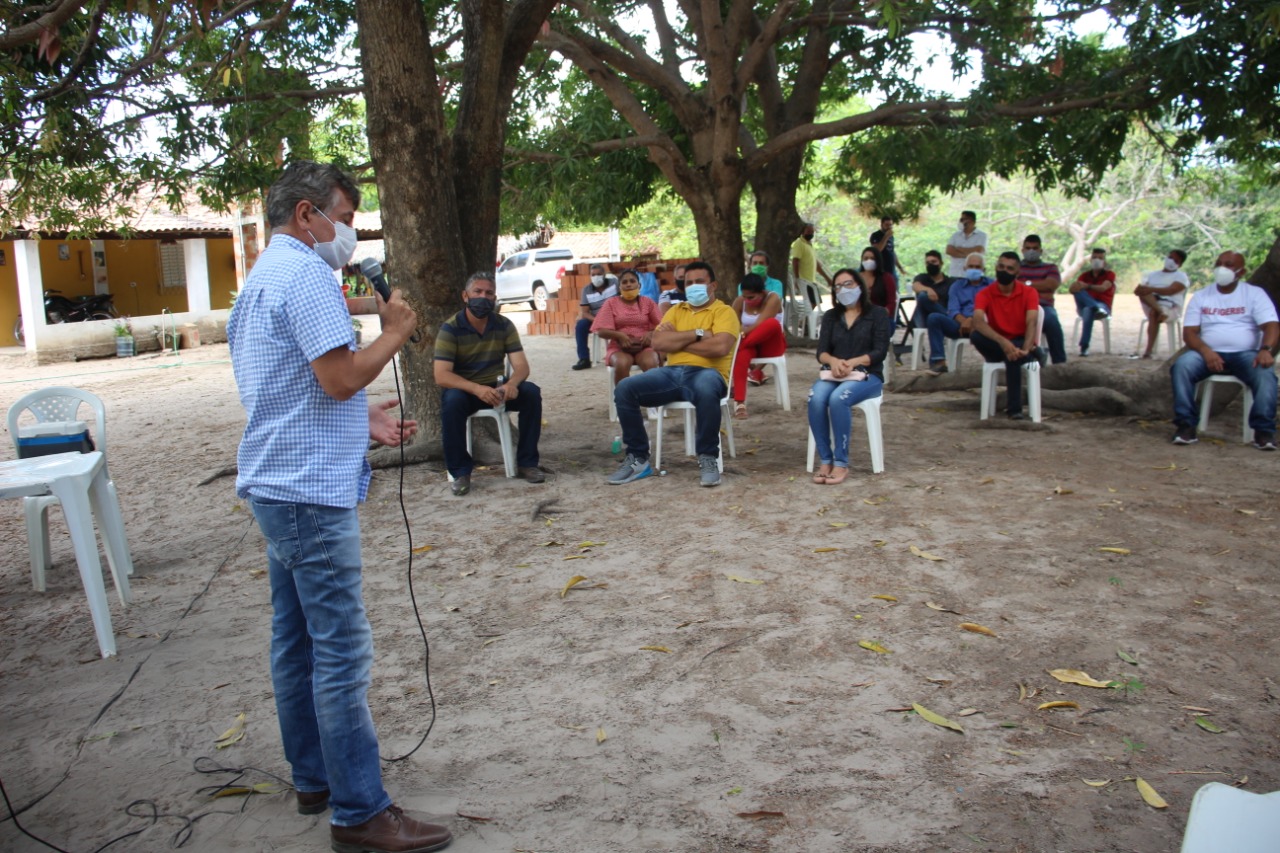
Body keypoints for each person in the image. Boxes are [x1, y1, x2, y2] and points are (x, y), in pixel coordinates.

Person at [227, 160, 452, 853]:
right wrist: (397, 330)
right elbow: (338, 376)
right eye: (345, 218)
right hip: (306, 495)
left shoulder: (262, 279)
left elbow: (291, 391)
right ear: (306, 215)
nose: (349, 234)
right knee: (341, 650)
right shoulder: (305, 276)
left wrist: (365, 423)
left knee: (294, 640)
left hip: (277, 481)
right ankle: (360, 809)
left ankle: (314, 776)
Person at [609, 261, 740, 487]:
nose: (693, 286)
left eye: (699, 282)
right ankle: (638, 458)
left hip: (709, 373)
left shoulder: (724, 312)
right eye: (688, 283)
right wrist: (700, 333)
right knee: (625, 388)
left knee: (707, 388)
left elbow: (720, 348)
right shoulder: (676, 311)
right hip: (671, 373)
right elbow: (658, 342)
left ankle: (708, 457)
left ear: (713, 285)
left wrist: (678, 342)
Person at [435, 271, 545, 496]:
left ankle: (527, 463)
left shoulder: (504, 325)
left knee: (531, 393)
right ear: (465, 296)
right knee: (452, 402)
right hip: (466, 390)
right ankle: (460, 472)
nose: (483, 298)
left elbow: (522, 366)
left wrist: (510, 385)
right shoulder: (451, 328)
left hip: (497, 388)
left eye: (489, 293)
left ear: (495, 298)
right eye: (478, 292)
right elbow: (442, 376)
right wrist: (477, 389)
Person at [1169, 250, 1278, 449]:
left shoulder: (1254, 294)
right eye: (1219, 263)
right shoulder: (1202, 296)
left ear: (1241, 272)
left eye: (1228, 265)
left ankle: (1264, 431)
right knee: (1182, 366)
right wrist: (1206, 351)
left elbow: (1271, 325)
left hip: (1245, 355)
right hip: (1207, 354)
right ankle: (1186, 426)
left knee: (1265, 374)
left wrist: (1266, 349)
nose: (1222, 268)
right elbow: (1190, 333)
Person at [807, 267, 890, 485]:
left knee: (838, 398)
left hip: (867, 375)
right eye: (838, 286)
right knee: (815, 398)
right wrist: (834, 362)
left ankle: (841, 463)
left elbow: (879, 351)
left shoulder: (878, 314)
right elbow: (821, 352)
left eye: (848, 284)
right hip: (834, 373)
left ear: (860, 286)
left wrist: (853, 362)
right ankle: (826, 460)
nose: (843, 290)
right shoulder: (831, 316)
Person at [970, 251, 1042, 420]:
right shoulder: (985, 293)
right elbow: (978, 321)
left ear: (1017, 273)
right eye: (1001, 266)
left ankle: (1015, 409)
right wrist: (1003, 342)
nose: (1004, 271)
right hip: (996, 342)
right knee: (975, 336)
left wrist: (1024, 348)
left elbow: (1031, 322)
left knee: (1013, 356)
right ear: (995, 267)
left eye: (1009, 269)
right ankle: (1014, 409)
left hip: (1019, 341)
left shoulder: (1029, 293)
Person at [591, 268, 663, 389]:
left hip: (645, 345)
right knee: (621, 363)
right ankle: (624, 401)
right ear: (619, 287)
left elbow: (662, 326)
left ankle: (652, 401)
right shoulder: (611, 303)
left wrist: (651, 334)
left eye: (632, 281)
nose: (628, 284)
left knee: (650, 362)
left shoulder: (648, 302)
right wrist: (620, 336)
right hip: (619, 347)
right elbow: (600, 330)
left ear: (639, 285)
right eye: (624, 282)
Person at [729, 273, 786, 419]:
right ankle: (740, 403)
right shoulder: (739, 301)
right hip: (751, 346)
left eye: (751, 297)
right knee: (742, 354)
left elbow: (760, 324)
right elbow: (733, 326)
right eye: (745, 296)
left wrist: (742, 335)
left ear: (761, 293)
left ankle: (739, 348)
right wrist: (740, 334)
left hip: (771, 345)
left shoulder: (773, 298)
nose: (747, 300)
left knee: (772, 324)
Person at [924, 252, 989, 376]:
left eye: (977, 267)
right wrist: (965, 321)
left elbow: (992, 308)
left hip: (985, 325)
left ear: (983, 269)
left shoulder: (991, 285)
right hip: (960, 325)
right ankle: (939, 362)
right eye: (970, 267)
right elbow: (953, 310)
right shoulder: (956, 286)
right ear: (964, 268)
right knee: (934, 318)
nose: (973, 270)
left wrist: (972, 320)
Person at [1134, 250, 1190, 358]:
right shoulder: (1152, 275)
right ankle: (1160, 311)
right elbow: (1140, 291)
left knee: (1153, 313)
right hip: (1151, 303)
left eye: (1176, 260)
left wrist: (1151, 289)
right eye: (1170, 257)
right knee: (1147, 298)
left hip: (1171, 307)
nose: (1171, 261)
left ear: (1180, 264)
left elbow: (1170, 290)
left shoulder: (1181, 276)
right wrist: (1141, 290)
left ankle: (1148, 351)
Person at [1020, 234, 1066, 364]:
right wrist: (1040, 288)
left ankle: (1060, 363)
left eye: (1035, 248)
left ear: (1041, 250)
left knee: (1052, 321)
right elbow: (1011, 287)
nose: (1031, 251)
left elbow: (1051, 285)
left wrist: (1026, 285)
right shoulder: (1015, 267)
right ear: (1022, 250)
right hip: (1020, 307)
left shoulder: (1051, 267)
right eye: (1028, 248)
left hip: (1044, 307)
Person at [744, 250, 786, 385]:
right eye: (755, 263)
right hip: (749, 328)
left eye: (761, 263)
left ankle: (754, 371)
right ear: (750, 265)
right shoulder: (743, 285)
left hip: (768, 327)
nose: (757, 266)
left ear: (767, 266)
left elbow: (772, 306)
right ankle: (756, 372)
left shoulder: (776, 284)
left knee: (768, 328)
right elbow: (744, 306)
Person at [1069, 247, 1116, 356]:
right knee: (1079, 292)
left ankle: (1084, 347)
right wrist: (1076, 286)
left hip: (1103, 306)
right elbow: (1072, 289)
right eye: (1094, 257)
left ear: (1105, 261)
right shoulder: (1084, 276)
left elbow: (1103, 288)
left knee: (1088, 310)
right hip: (1089, 306)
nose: (1097, 260)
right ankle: (1095, 307)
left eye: (1100, 258)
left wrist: (1087, 286)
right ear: (1090, 260)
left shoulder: (1109, 274)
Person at [571, 263, 618, 370]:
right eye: (593, 275)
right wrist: (597, 320)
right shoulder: (586, 290)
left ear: (604, 274)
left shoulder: (614, 283)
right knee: (581, 325)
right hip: (596, 318)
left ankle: (618, 354)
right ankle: (584, 359)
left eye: (599, 274)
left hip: (615, 316)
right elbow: (585, 312)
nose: (596, 277)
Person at [855, 245, 897, 333]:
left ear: (878, 260)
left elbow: (891, 303)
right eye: (865, 258)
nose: (869, 261)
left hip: (882, 319)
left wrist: (882, 313)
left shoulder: (887, 278)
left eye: (872, 258)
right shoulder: (856, 278)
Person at [911, 249, 954, 330]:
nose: (931, 265)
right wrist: (928, 290)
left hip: (940, 318)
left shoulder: (949, 282)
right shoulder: (922, 277)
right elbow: (915, 286)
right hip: (923, 316)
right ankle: (949, 317)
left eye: (934, 262)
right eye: (928, 263)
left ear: (941, 263)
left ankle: (946, 316)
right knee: (923, 296)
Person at [945, 210, 988, 277]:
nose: (961, 222)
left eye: (963, 219)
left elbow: (979, 251)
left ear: (972, 221)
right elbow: (949, 250)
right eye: (961, 219)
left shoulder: (982, 235)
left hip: (971, 276)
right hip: (954, 274)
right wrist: (970, 255)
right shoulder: (955, 235)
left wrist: (958, 249)